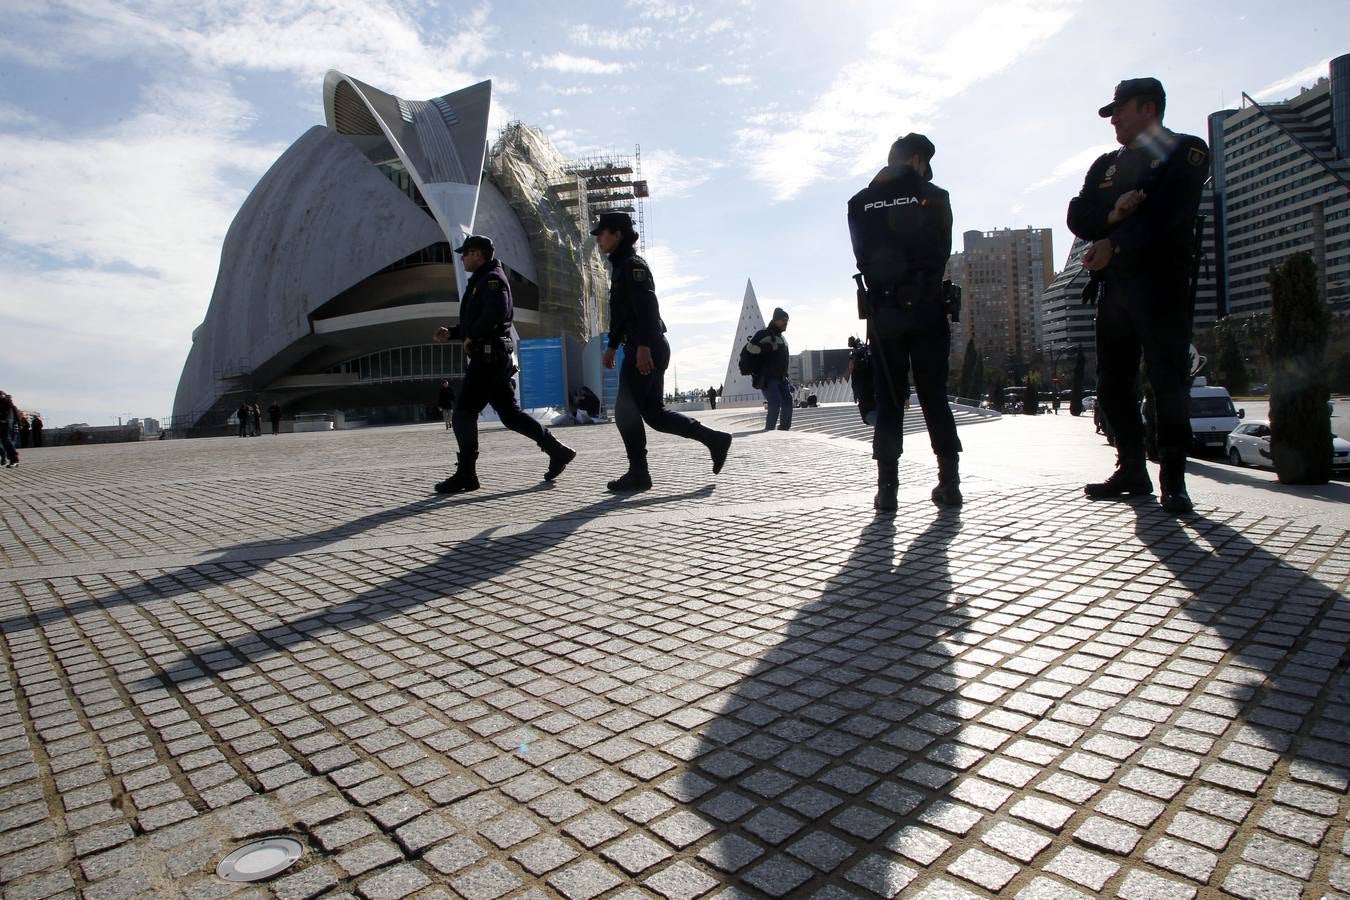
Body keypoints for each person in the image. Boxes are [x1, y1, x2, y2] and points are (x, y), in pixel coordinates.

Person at [1068, 78, 1208, 515]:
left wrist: (1116, 242)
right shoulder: (1106, 164)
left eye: (1121, 111)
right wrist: (1114, 212)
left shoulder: (1186, 150)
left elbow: (1170, 213)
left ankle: (1174, 482)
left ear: (1148, 108)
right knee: (1112, 388)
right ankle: (1131, 467)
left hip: (1161, 285)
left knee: (1167, 385)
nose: (1115, 121)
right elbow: (1078, 214)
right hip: (1115, 290)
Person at [847, 132, 962, 511]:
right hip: (927, 308)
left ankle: (887, 491)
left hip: (884, 314)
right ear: (916, 160)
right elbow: (941, 251)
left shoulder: (859, 203)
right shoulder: (937, 196)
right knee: (934, 398)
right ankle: (949, 483)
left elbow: (862, 256)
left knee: (890, 400)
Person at [593, 212, 731, 491]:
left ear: (617, 234)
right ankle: (714, 439)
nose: (599, 238)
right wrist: (612, 345)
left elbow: (646, 308)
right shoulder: (620, 266)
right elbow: (622, 314)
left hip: (648, 345)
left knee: (625, 412)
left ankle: (639, 472)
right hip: (645, 344)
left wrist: (642, 346)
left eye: (602, 233)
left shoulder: (632, 266)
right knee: (654, 414)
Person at [432, 235, 575, 494]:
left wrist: (472, 336)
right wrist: (454, 332)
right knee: (510, 415)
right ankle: (557, 450)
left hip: (488, 355)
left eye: (465, 253)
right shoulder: (483, 279)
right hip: (493, 355)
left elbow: (495, 314)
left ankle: (466, 474)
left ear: (477, 254)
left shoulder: (491, 279)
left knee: (464, 412)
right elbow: (480, 317)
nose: (462, 258)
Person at [745, 309, 792, 431]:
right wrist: (769, 347)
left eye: (787, 321)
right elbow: (750, 347)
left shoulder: (782, 338)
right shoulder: (764, 334)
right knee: (775, 403)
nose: (786, 323)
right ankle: (769, 431)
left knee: (788, 401)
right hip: (768, 378)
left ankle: (784, 429)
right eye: (783, 320)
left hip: (782, 378)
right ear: (776, 320)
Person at [0, 392, 18, 468]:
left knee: (7, 442)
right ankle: (8, 459)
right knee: (4, 443)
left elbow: (9, 414)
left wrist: (3, 419)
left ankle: (14, 460)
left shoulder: (7, 402)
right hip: (2, 424)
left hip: (6, 425)